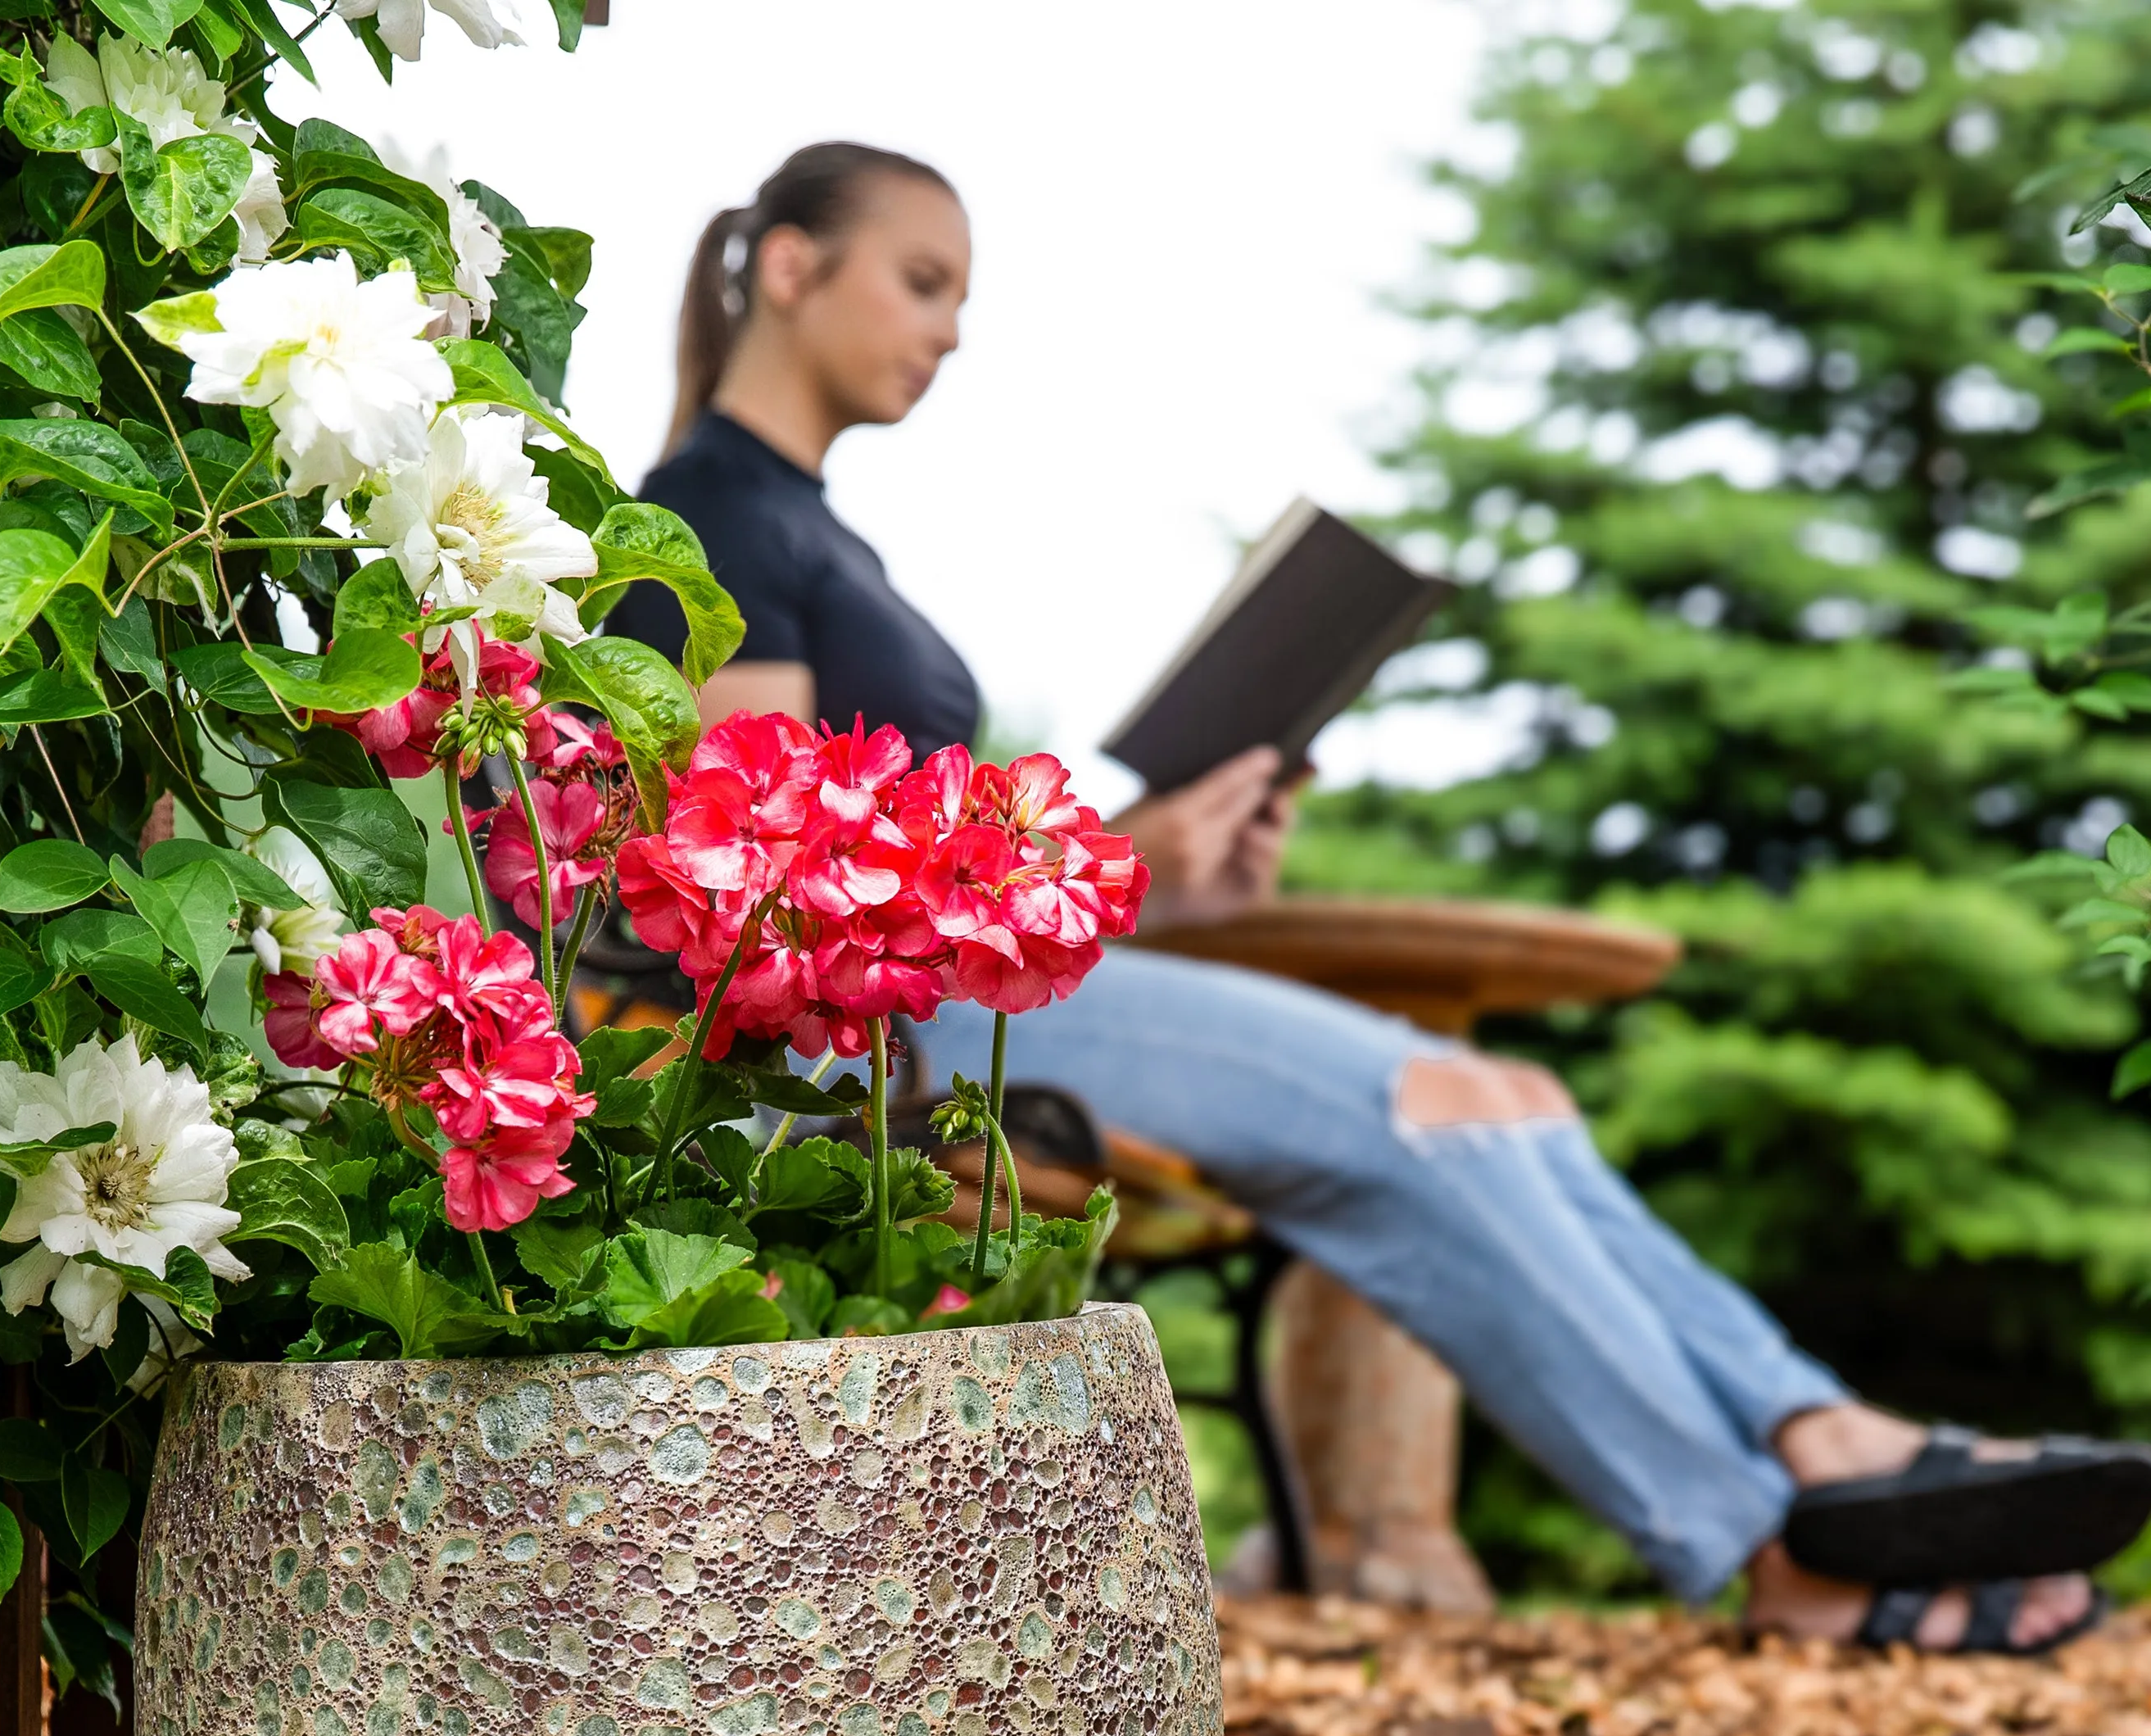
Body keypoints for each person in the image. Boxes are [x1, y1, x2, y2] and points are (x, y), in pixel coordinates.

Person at [609, 142, 2148, 1656]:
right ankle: (1772, 1544)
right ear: (795, 268)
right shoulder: (713, 522)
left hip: (980, 1007)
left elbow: (918, 864)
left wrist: (1167, 873)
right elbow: (783, 889)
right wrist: (1121, 842)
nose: (950, 327)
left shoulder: (818, 532)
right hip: (884, 1052)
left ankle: (1821, 1436)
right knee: (1433, 1099)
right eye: (924, 280)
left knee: (1506, 1090)